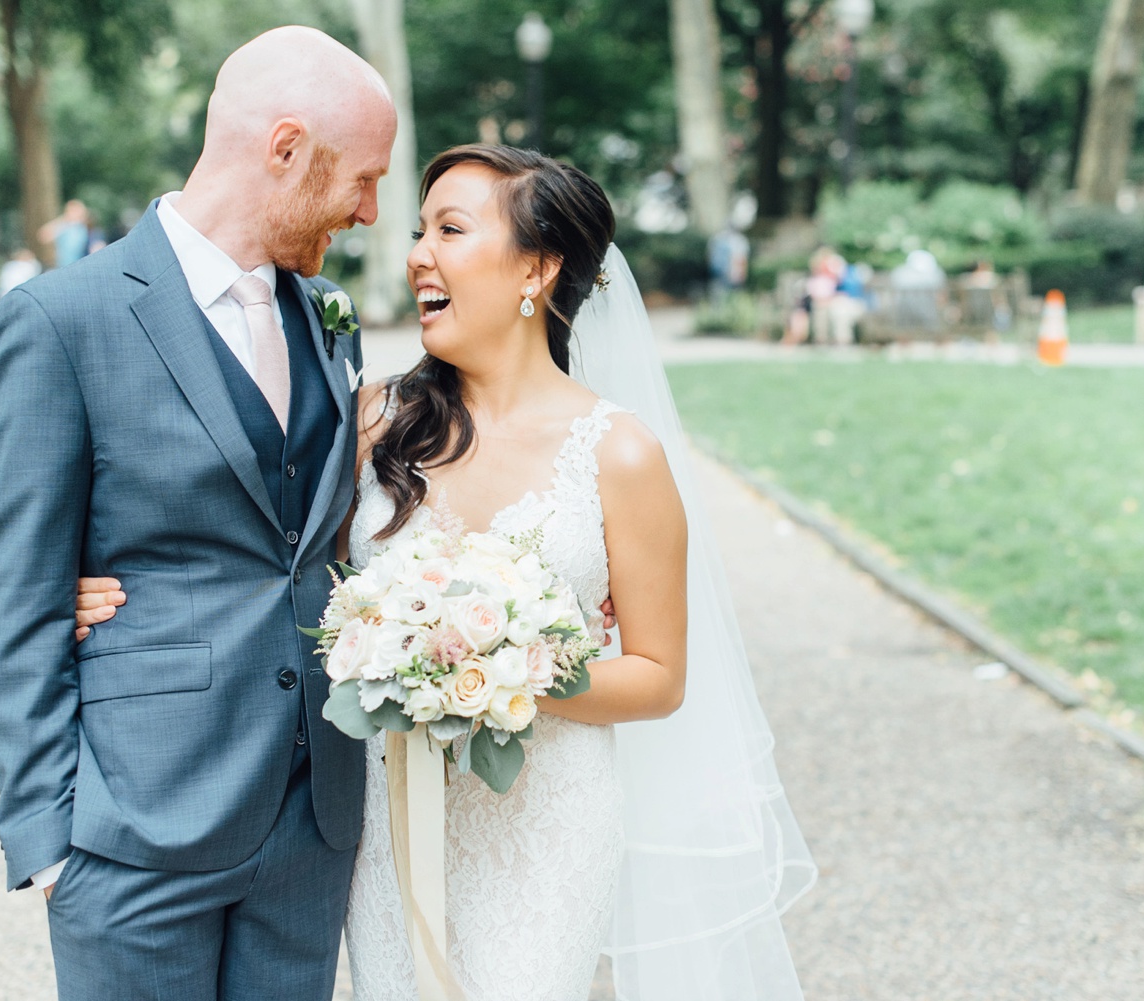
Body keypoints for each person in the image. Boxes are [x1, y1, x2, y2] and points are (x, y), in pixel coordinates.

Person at [72, 146, 816, 998]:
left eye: (451, 230)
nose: (417, 252)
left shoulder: (619, 452)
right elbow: (258, 554)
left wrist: (494, 672)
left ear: (537, 267)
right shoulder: (373, 421)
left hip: (547, 820)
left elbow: (657, 675)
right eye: (421, 229)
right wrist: (92, 584)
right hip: (388, 811)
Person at [0, 27, 397, 1000]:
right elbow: (19, 596)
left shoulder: (328, 314)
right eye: (363, 180)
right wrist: (48, 843)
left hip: (310, 827)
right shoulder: (61, 321)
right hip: (136, 832)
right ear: (285, 149)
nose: (372, 211)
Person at [37, 198, 92, 268]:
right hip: (63, 266)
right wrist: (64, 220)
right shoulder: (63, 226)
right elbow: (43, 236)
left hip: (79, 265)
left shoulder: (84, 229)